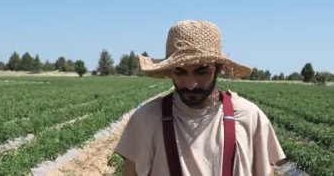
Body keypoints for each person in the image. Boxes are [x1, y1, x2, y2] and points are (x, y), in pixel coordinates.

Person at [115, 20, 285, 176]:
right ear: (170, 71)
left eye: (201, 71)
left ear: (218, 68)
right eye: (180, 72)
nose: (191, 84)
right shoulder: (147, 119)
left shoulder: (250, 118)